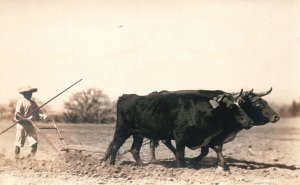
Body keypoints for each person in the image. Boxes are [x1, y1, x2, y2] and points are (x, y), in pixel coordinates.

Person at [14, 86, 49, 159]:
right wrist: (24, 119)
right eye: (28, 93)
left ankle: (31, 159)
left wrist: (45, 117)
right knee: (19, 142)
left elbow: (39, 112)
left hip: (30, 124)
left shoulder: (33, 103)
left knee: (34, 142)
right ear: (24, 94)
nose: (30, 94)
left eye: (31, 93)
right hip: (22, 124)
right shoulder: (21, 101)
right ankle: (16, 158)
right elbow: (17, 114)